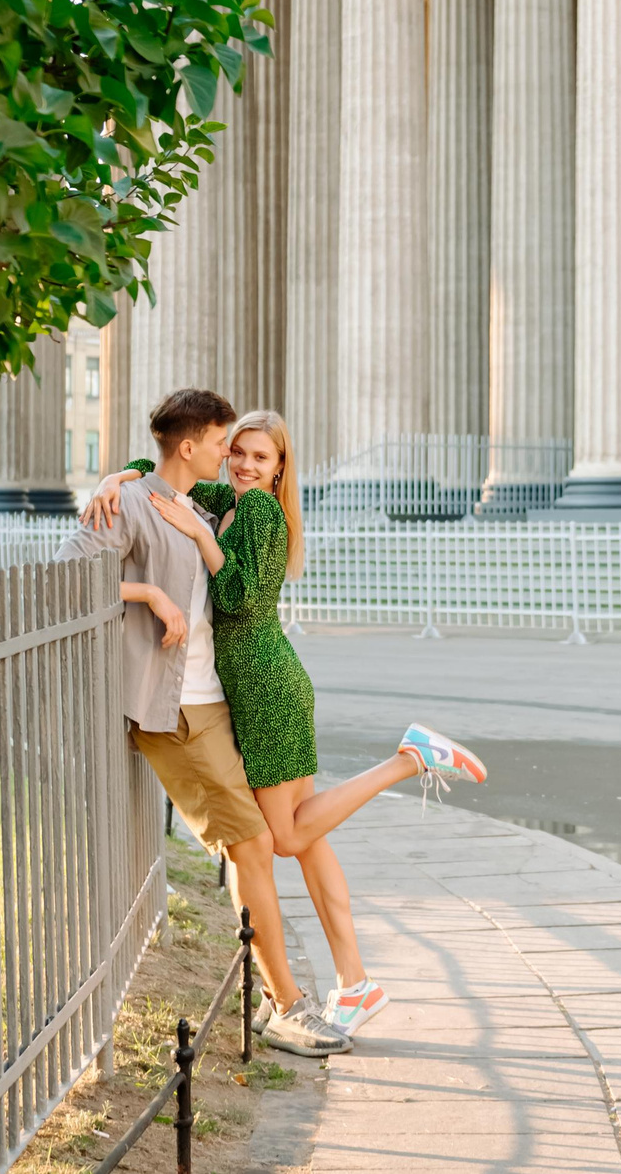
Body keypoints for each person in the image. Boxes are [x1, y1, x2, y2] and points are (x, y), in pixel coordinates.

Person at [87, 409, 487, 1039]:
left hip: (265, 688)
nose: (243, 465)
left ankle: (407, 760)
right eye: (237, 452)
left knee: (290, 838)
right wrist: (118, 475)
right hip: (264, 685)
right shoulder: (230, 498)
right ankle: (355, 984)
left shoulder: (262, 515)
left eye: (260, 459)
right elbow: (163, 471)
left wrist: (199, 535)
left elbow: (242, 596)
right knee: (311, 841)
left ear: (280, 471)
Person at [56, 389, 344, 1056]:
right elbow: (68, 573)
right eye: (224, 443)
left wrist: (121, 470)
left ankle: (280, 999)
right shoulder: (132, 503)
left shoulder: (194, 505)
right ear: (192, 447)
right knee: (252, 846)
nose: (233, 457)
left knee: (257, 849)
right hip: (173, 710)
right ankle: (287, 1005)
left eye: (248, 450)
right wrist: (147, 590)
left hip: (211, 699)